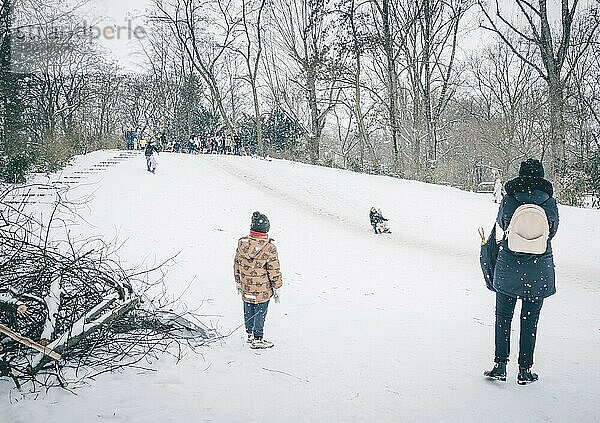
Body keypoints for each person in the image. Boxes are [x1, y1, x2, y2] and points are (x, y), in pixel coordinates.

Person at [484, 159, 559, 385]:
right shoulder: (549, 201)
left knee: (503, 318)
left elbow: (501, 223)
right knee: (530, 320)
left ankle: (500, 366)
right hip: (538, 269)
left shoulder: (509, 198)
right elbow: (552, 232)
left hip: (508, 266)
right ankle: (525, 370)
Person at [233, 211, 282, 349]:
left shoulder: (242, 244)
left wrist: (238, 281)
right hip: (262, 290)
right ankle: (258, 338)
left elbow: (237, 264)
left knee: (248, 308)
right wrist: (277, 287)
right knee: (260, 311)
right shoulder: (269, 248)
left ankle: (249, 334)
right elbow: (274, 270)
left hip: (246, 286)